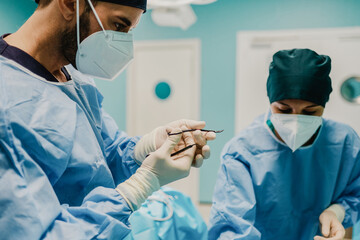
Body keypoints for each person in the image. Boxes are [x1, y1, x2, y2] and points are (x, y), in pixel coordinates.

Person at [0, 0, 217, 239]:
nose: (124, 44)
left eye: (129, 31)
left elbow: (103, 155)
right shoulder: (6, 98)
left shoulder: (74, 78)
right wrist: (137, 189)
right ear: (69, 4)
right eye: (119, 25)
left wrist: (149, 146)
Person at [208, 48, 360, 240]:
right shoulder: (242, 151)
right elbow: (232, 226)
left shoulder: (345, 143)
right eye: (284, 110)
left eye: (310, 112)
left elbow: (355, 194)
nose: (296, 122)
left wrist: (337, 211)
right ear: (271, 102)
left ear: (323, 106)